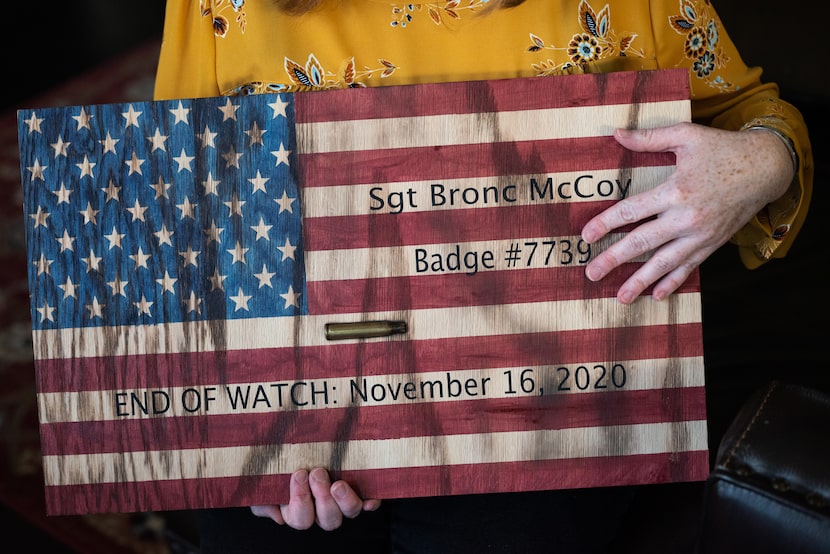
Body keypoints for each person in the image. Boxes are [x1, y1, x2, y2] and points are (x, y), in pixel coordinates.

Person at [153, 0, 813, 552]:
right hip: (298, 392)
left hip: (546, 403)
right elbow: (181, 196)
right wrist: (241, 436)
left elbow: (748, 111)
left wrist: (764, 160)